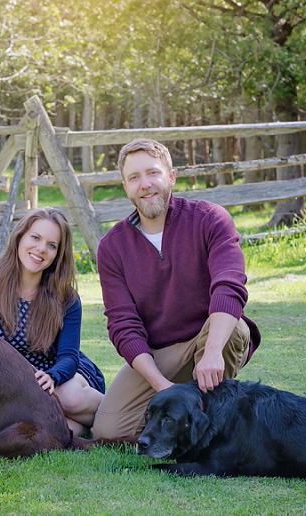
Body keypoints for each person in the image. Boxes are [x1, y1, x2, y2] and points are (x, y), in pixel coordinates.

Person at [91, 138, 261, 439]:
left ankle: (210, 418)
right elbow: (123, 325)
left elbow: (229, 285)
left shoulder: (210, 219)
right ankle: (192, 412)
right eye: (134, 178)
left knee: (235, 329)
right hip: (159, 354)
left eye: (152, 173)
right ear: (125, 187)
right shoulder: (112, 247)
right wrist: (160, 386)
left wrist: (211, 353)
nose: (145, 184)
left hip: (211, 339)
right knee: (109, 431)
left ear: (170, 176)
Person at [0, 207, 105, 436]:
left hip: (60, 378)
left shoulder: (65, 298)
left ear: (58, 254)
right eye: (36, 238)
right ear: (20, 237)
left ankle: (122, 412)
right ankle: (72, 424)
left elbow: (69, 357)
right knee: (64, 430)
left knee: (69, 399)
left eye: (52, 245)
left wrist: (52, 376)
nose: (41, 249)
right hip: (15, 389)